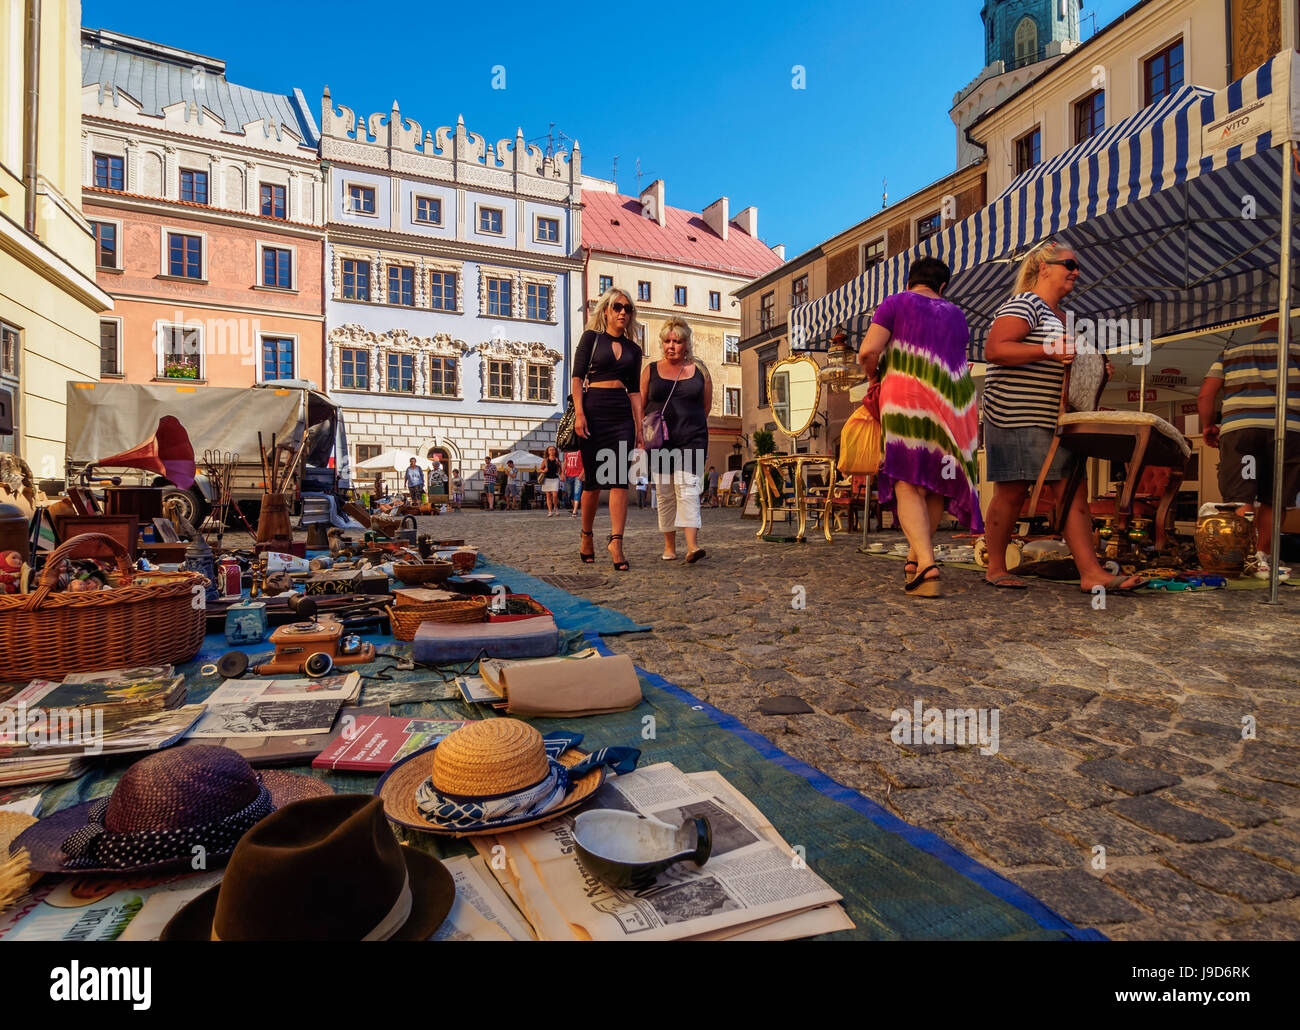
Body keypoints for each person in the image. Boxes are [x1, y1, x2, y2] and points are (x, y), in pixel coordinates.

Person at [980, 241, 1142, 593]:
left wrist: (1094, 370)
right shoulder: (1026, 303)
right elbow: (995, 349)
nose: (1076, 271)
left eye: (1077, 266)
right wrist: (1052, 349)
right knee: (1012, 491)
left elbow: (1062, 362)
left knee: (1071, 490)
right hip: (1015, 411)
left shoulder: (1062, 317)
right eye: (1069, 263)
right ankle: (995, 567)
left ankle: (1091, 573)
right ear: (1044, 266)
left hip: (1054, 416)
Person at [856, 257, 983, 597]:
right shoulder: (957, 314)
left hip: (908, 397)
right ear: (943, 287)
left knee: (906, 479)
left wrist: (874, 375)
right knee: (935, 482)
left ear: (910, 280)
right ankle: (915, 559)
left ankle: (927, 565)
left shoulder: (896, 302)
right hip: (954, 402)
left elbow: (868, 350)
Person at [1198, 316, 1299, 580]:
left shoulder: (1230, 352)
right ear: (1288, 332)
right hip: (1287, 431)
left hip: (1241, 432)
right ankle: (1263, 558)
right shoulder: (1297, 352)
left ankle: (1242, 556)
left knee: (1242, 494)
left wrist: (1208, 426)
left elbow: (1206, 395)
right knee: (1274, 497)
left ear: (1258, 331)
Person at [573, 287, 644, 569]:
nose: (623, 312)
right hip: (593, 408)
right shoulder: (591, 338)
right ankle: (587, 535)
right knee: (591, 480)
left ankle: (616, 541)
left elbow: (636, 391)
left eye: (627, 309)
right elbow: (577, 379)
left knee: (618, 480)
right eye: (617, 307)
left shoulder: (634, 349)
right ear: (606, 311)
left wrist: (640, 428)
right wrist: (580, 413)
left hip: (621, 412)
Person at [640, 316, 709, 563]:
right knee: (666, 494)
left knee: (688, 489)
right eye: (667, 341)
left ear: (686, 344)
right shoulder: (650, 370)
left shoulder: (700, 371)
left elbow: (706, 406)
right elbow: (642, 404)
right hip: (659, 441)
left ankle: (692, 546)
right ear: (662, 343)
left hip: (692, 439)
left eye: (677, 341)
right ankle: (670, 546)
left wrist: (691, 425)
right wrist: (641, 437)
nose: (672, 346)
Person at [540, 446, 562, 516]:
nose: (552, 451)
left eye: (553, 450)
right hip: (547, 479)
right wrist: (544, 470)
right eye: (550, 450)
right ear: (548, 452)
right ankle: (550, 511)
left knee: (555, 495)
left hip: (555, 479)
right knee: (548, 496)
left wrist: (559, 465)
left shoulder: (557, 460)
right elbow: (540, 469)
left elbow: (560, 471)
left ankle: (555, 507)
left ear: (555, 451)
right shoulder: (545, 460)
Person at [564, 450, 583, 517]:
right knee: (570, 493)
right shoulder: (567, 451)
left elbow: (585, 462)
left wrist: (582, 474)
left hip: (577, 476)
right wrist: (562, 473)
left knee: (577, 492)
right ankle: (575, 508)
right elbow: (565, 462)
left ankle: (574, 511)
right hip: (568, 475)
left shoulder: (580, 450)